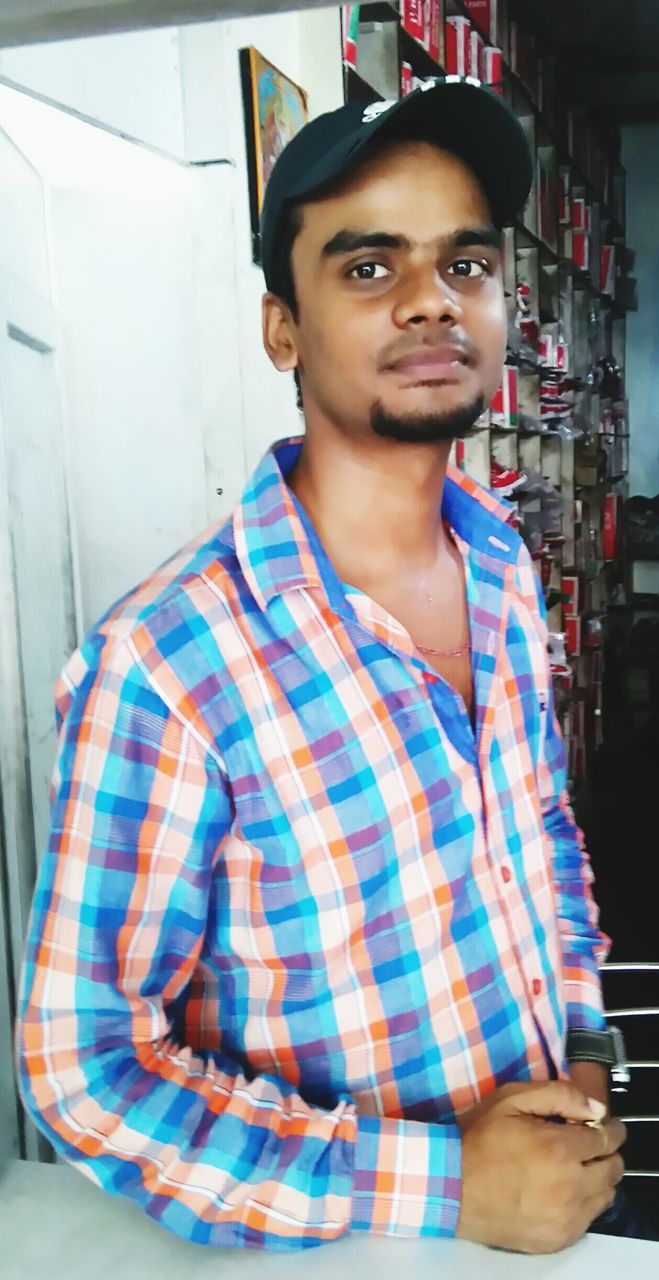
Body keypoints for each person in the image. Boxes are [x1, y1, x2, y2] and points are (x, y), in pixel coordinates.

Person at [17, 78, 628, 1254]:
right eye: (366, 267)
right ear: (280, 328)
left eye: (463, 263)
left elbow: (536, 829)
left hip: (561, 1188)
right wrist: (444, 1181)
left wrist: (587, 1038)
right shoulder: (169, 663)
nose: (427, 302)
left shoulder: (497, 566)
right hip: (351, 1241)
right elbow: (81, 1064)